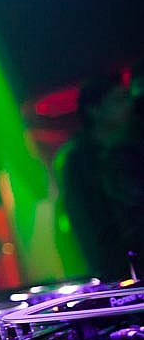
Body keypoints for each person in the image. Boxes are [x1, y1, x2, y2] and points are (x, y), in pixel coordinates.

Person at [57, 71, 139, 279]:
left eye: (127, 98)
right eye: (118, 100)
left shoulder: (132, 148)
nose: (128, 105)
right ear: (94, 110)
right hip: (115, 268)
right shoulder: (78, 161)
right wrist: (106, 270)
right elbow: (84, 222)